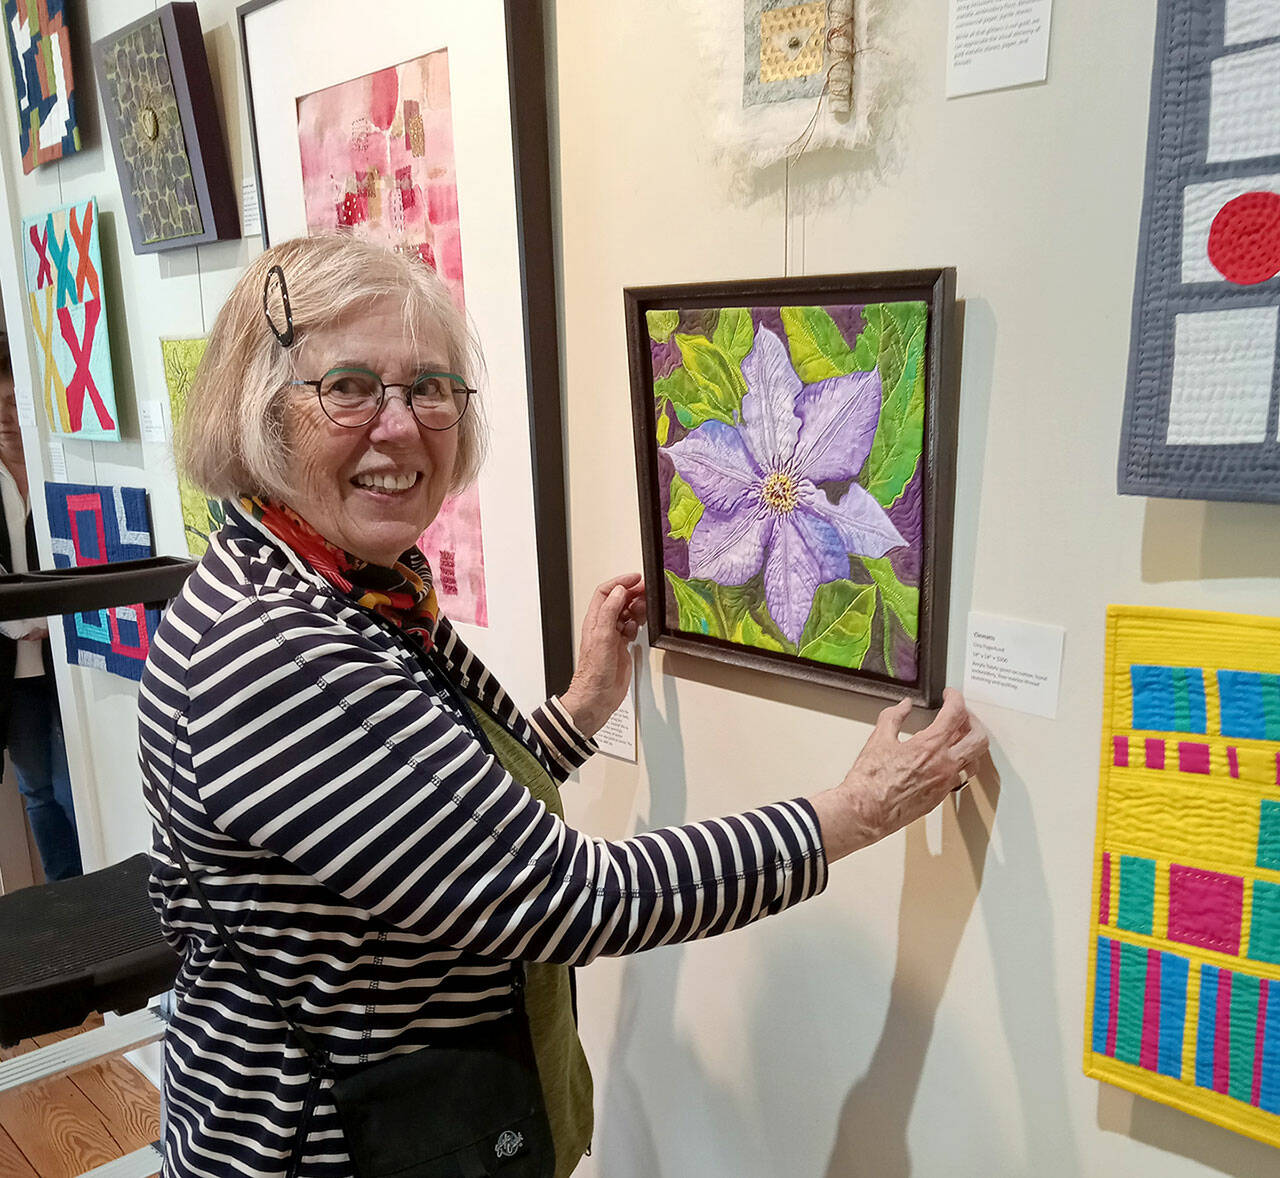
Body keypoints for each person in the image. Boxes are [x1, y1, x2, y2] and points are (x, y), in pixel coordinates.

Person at [140, 236, 987, 1178]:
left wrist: (579, 711)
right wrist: (853, 812)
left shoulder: (347, 586)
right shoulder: (278, 646)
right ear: (259, 414)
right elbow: (569, 896)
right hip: (327, 1146)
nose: (401, 426)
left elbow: (433, 821)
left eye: (431, 387)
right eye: (349, 387)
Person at [0, 334, 80, 882]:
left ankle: (97, 889)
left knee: (77, 785)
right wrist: (19, 621)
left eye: (13, 402)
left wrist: (52, 620)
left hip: (68, 655)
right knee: (37, 789)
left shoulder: (63, 464)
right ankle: (62, 894)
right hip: (11, 669)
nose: (5, 418)